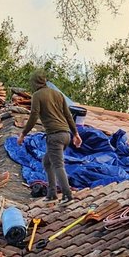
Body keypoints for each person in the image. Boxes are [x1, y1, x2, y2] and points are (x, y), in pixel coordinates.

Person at [17, 71, 82, 202]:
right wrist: (75, 133)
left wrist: (23, 134)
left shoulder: (37, 95)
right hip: (66, 135)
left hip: (54, 136)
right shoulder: (58, 94)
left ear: (35, 83)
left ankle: (67, 195)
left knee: (58, 165)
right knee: (47, 162)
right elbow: (69, 115)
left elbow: (34, 115)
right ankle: (51, 193)